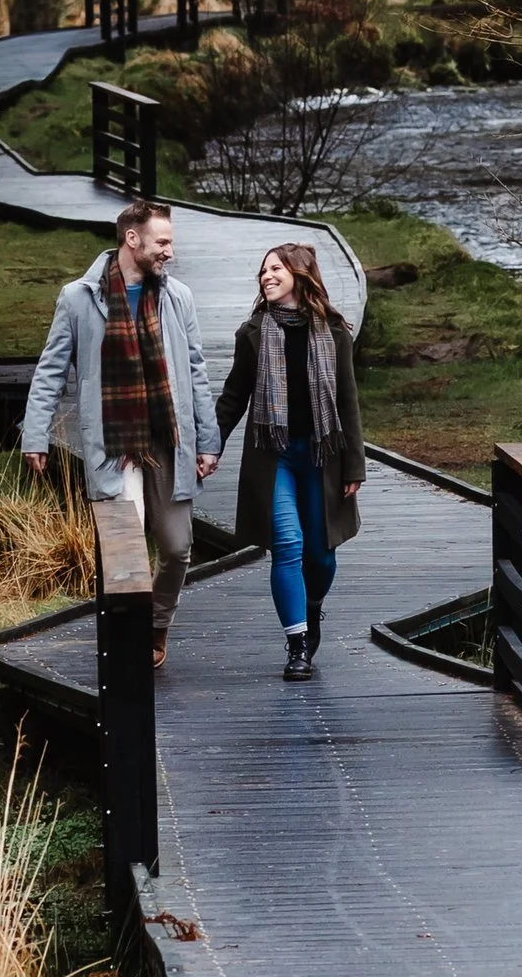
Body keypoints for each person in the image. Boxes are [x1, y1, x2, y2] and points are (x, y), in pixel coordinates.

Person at [22, 201, 221, 671]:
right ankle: (126, 644)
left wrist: (208, 440)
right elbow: (51, 371)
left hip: (169, 440)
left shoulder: (178, 297)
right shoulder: (79, 298)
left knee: (176, 549)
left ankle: (156, 624)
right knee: (124, 553)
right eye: (163, 242)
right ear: (133, 240)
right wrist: (36, 435)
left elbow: (195, 370)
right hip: (113, 444)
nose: (169, 252)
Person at [216, 241, 365, 681]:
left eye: (275, 269)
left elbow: (348, 403)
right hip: (273, 455)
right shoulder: (253, 334)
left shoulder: (335, 334)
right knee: (288, 545)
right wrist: (211, 446)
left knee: (320, 556)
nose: (267, 276)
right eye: (263, 271)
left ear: (300, 274)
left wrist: (355, 465)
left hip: (323, 456)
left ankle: (311, 607)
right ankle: (297, 645)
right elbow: (233, 397)